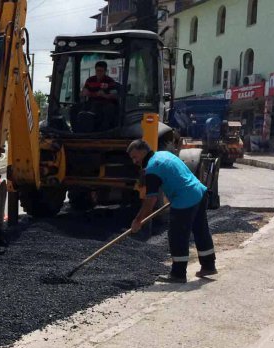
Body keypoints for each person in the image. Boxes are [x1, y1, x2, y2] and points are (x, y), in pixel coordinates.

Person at [127, 139, 216, 284]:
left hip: (185, 199)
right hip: (199, 192)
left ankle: (178, 274)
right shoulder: (163, 155)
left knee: (177, 235)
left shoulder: (152, 168)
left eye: (135, 157)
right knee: (201, 230)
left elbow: (150, 200)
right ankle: (208, 265)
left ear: (143, 151)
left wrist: (138, 221)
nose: (134, 161)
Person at [80, 60, 120, 130]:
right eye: (97, 71)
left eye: (101, 71)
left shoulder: (110, 81)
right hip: (91, 102)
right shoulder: (90, 80)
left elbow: (115, 95)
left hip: (105, 103)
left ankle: (104, 131)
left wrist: (104, 95)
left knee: (109, 108)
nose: (99, 73)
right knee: (75, 108)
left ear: (105, 71)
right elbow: (83, 92)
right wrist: (84, 93)